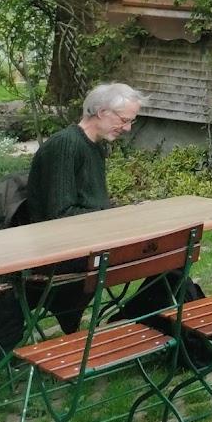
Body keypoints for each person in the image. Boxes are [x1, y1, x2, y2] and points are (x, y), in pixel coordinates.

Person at [25, 83, 143, 331]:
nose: (128, 128)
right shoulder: (65, 145)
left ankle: (145, 321)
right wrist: (116, 218)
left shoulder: (95, 146)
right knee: (163, 251)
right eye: (123, 120)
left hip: (92, 244)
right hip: (61, 254)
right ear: (101, 112)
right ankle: (140, 321)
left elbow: (92, 204)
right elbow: (61, 215)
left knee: (173, 248)